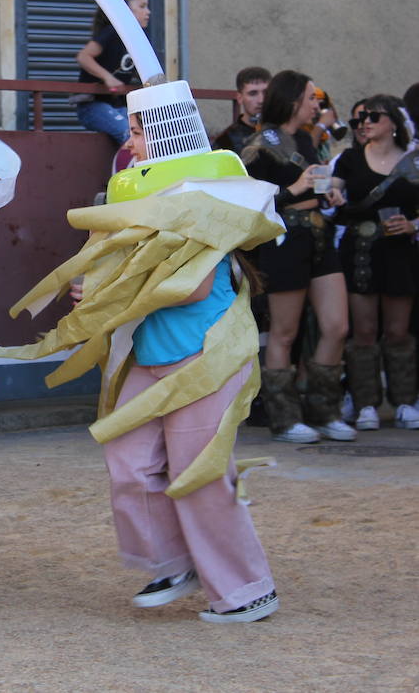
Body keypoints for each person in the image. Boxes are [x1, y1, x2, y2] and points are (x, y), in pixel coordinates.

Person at [94, 112, 279, 624]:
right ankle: (175, 563)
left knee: (199, 475)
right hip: (153, 355)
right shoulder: (139, 199)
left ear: (165, 139)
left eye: (136, 133)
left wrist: (106, 294)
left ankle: (248, 589)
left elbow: (192, 286)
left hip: (206, 357)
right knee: (129, 463)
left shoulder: (205, 204)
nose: (128, 143)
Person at [241, 71, 354, 443]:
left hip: (318, 235)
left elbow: (315, 184)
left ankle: (325, 411)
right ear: (292, 101)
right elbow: (249, 204)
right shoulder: (258, 146)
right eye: (310, 98)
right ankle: (285, 418)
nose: (317, 105)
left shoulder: (306, 138)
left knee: (336, 325)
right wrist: (295, 189)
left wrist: (329, 192)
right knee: (285, 333)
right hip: (284, 240)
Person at [333, 95, 419, 431]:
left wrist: (415, 225)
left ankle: (404, 402)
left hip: (400, 252)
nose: (365, 121)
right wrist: (333, 194)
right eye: (362, 116)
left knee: (399, 332)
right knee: (364, 332)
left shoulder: (413, 161)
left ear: (394, 122)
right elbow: (335, 191)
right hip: (361, 251)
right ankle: (366, 402)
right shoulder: (350, 159)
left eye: (374, 116)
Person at [73, 0, 150, 144]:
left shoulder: (139, 39)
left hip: (117, 105)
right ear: (124, 9)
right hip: (92, 106)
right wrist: (108, 77)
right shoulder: (112, 32)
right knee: (130, 135)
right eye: (142, 6)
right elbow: (84, 56)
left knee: (148, 135)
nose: (148, 12)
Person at [213, 67, 270, 154]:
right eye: (253, 93)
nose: (261, 100)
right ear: (240, 98)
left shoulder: (284, 131)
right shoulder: (226, 141)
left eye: (266, 93)